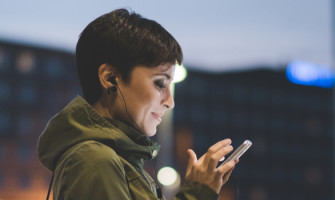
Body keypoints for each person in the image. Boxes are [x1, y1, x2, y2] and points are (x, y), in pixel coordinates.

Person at [37, 8, 237, 200]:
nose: (170, 102)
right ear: (110, 78)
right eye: (160, 83)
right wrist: (197, 193)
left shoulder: (116, 160)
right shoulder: (94, 160)